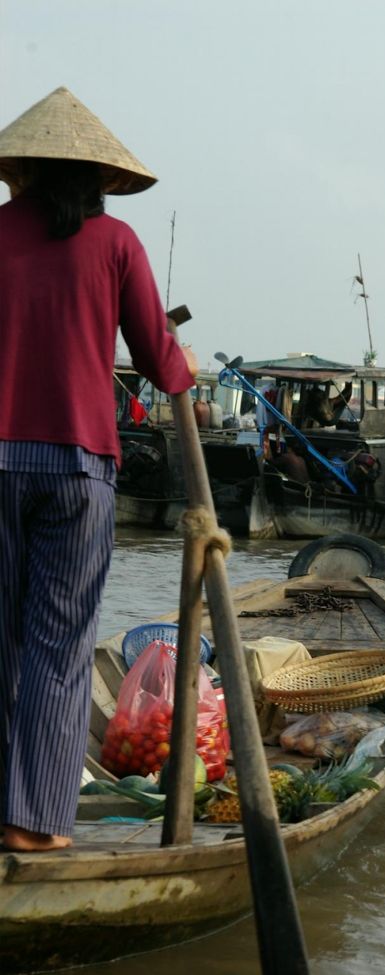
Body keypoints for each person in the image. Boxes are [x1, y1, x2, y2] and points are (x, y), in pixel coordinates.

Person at [0, 87, 198, 852]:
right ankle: (34, 822)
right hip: (78, 467)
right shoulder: (116, 245)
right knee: (57, 648)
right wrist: (184, 368)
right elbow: (158, 358)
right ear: (95, 180)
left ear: (25, 172)